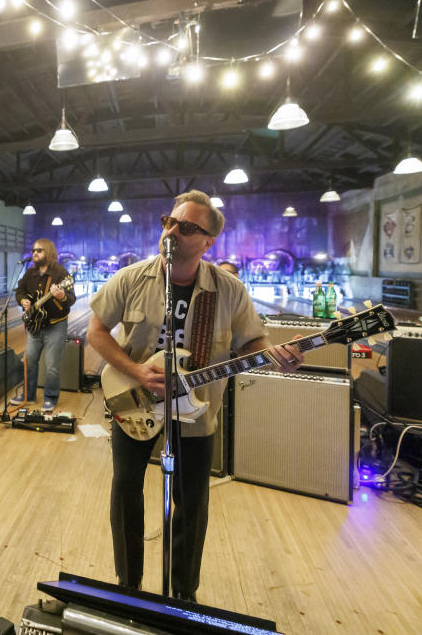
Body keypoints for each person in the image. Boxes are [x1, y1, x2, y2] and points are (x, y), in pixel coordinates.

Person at [86, 190, 304, 602]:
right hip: (133, 402)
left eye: (186, 227)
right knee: (126, 490)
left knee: (192, 505)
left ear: (207, 242)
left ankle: (183, 594)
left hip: (197, 412)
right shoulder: (132, 278)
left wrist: (278, 356)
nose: (171, 231)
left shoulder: (229, 289)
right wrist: (135, 371)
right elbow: (96, 332)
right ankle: (128, 585)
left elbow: (252, 343)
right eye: (169, 221)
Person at [12, 238, 76, 412]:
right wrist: (23, 300)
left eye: (39, 250)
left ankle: (50, 398)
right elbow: (20, 290)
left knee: (52, 367)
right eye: (33, 250)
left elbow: (71, 299)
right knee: (30, 362)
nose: (34, 253)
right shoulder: (30, 273)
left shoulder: (61, 274)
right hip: (35, 326)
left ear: (48, 252)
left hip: (55, 326)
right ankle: (29, 396)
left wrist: (61, 296)